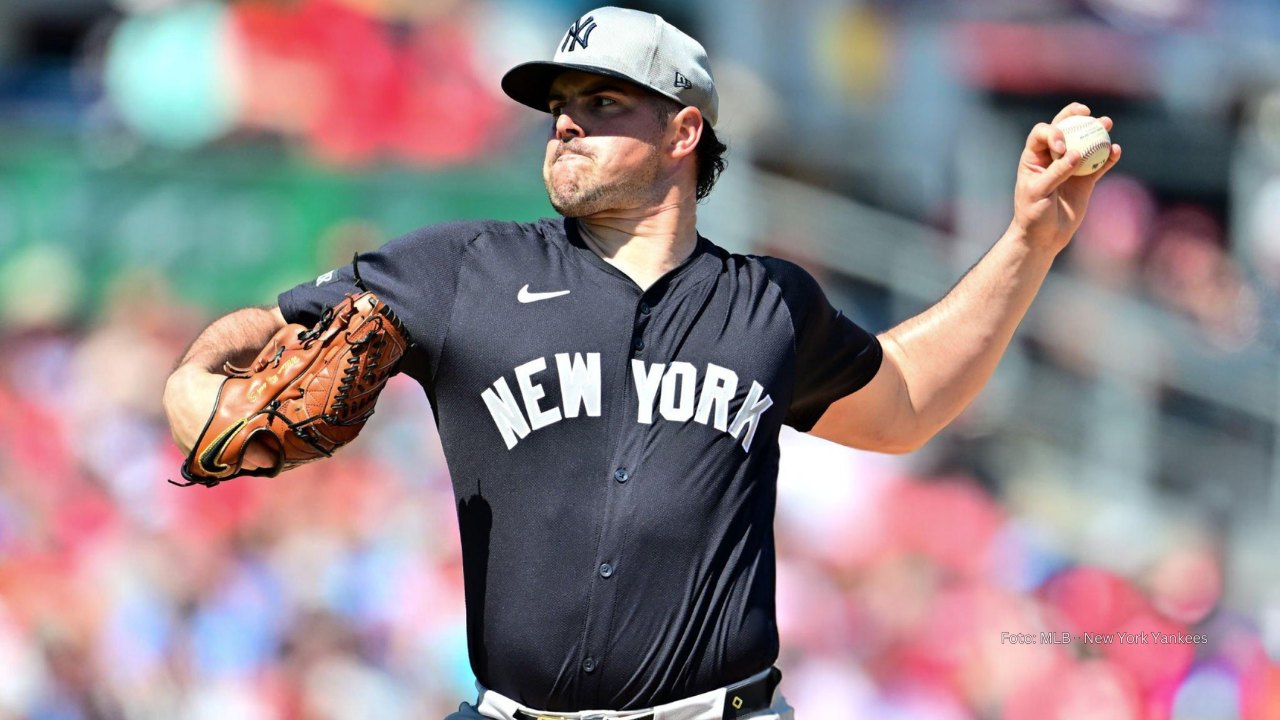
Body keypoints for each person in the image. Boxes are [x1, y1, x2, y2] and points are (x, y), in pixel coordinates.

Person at [162, 6, 1120, 719]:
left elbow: (905, 403)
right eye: (558, 104)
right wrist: (193, 374)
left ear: (683, 132)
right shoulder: (463, 270)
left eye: (602, 101)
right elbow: (251, 357)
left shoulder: (768, 302)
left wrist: (1031, 237)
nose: (566, 121)